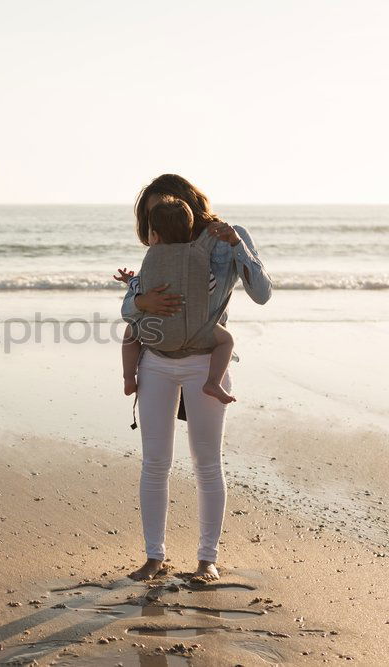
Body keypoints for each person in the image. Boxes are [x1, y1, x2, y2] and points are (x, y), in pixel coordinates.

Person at [119, 174, 271, 583]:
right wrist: (139, 300)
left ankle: (207, 560)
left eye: (161, 211)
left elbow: (262, 294)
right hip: (157, 361)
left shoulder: (227, 238)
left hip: (205, 360)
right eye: (150, 217)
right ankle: (154, 557)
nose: (155, 225)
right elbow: (130, 307)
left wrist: (239, 250)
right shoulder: (160, 248)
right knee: (155, 462)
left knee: (206, 463)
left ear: (188, 203)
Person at [114, 197, 236, 404]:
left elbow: (141, 289)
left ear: (154, 235)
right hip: (195, 333)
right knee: (227, 341)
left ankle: (128, 377)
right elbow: (211, 287)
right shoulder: (197, 258)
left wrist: (130, 281)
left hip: (155, 332)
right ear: (189, 232)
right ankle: (213, 382)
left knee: (129, 334)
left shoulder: (151, 261)